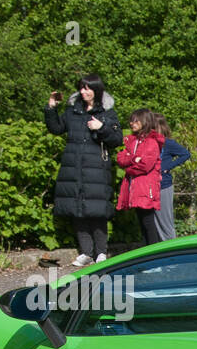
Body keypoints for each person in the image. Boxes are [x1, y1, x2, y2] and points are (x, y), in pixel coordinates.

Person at [44, 74, 122, 266]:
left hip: (96, 168)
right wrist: (51, 108)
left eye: (87, 88)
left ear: (97, 90)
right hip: (74, 167)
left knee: (97, 209)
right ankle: (85, 251)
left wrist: (101, 127)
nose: (83, 92)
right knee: (77, 209)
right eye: (81, 88)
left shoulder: (107, 113)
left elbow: (116, 139)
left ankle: (101, 252)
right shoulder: (73, 111)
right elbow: (56, 128)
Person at [116, 109, 165, 245]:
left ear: (145, 121)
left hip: (145, 188)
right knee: (142, 223)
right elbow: (121, 158)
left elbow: (145, 165)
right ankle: (146, 254)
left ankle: (154, 253)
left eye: (136, 120)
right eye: (131, 120)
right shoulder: (133, 141)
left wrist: (129, 163)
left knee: (148, 222)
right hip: (135, 187)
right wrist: (134, 159)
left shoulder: (151, 142)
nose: (132, 123)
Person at [152, 112, 190, 241]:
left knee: (165, 221)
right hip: (151, 186)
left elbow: (185, 154)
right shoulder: (149, 143)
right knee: (154, 221)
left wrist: (168, 166)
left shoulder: (167, 143)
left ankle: (171, 248)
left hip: (164, 185)